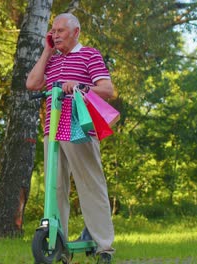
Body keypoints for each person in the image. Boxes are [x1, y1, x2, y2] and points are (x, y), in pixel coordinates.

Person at [26, 13, 116, 264]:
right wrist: (46, 51)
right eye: (53, 31)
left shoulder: (89, 55)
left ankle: (104, 247)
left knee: (91, 187)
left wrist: (80, 85)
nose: (55, 34)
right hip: (51, 131)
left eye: (60, 31)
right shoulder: (52, 60)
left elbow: (107, 89)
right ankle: (58, 244)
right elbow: (32, 84)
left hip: (79, 130)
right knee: (55, 191)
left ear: (76, 32)